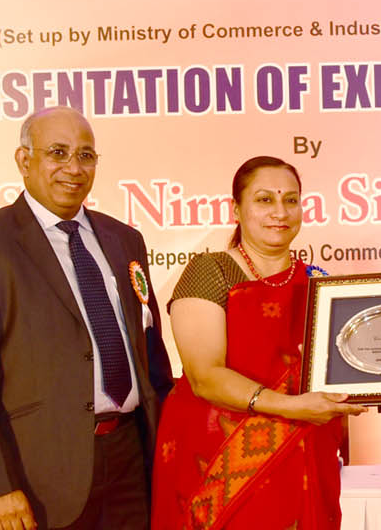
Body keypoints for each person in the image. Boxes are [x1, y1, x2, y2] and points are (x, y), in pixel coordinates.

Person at [0, 106, 174, 530]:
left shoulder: (125, 240)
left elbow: (151, 356)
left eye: (86, 155)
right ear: (24, 160)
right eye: (58, 153)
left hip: (131, 464)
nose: (74, 168)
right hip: (35, 475)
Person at [150, 156, 364, 529]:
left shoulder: (319, 282)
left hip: (303, 457)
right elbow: (205, 376)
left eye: (291, 200)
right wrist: (293, 407)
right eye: (265, 199)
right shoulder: (210, 271)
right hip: (218, 461)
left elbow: (349, 368)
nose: (280, 212)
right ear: (236, 209)